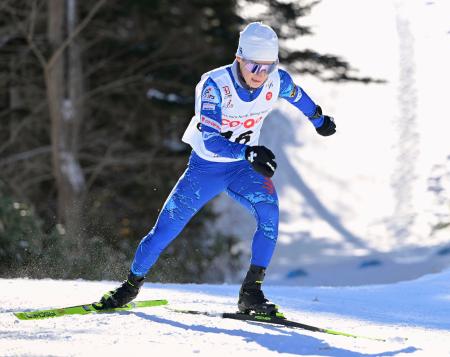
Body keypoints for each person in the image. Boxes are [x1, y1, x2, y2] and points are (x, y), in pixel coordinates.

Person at [98, 22, 336, 315]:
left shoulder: (276, 80)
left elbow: (298, 96)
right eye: (253, 66)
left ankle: (251, 292)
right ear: (239, 58)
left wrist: (319, 119)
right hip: (205, 170)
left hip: (242, 169)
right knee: (165, 230)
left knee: (270, 213)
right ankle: (130, 286)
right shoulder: (214, 86)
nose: (259, 75)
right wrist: (248, 151)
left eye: (267, 67)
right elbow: (211, 141)